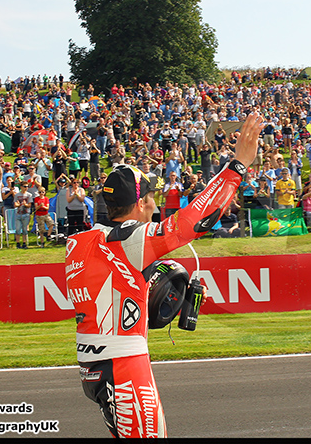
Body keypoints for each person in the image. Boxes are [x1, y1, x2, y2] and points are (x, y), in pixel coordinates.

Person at [66, 111, 263, 438]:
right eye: (152, 195)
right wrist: (238, 165)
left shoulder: (81, 242)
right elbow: (192, 223)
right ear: (140, 203)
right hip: (124, 367)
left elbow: (114, 290)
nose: (155, 203)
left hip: (96, 365)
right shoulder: (127, 240)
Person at [14, 182, 33, 248]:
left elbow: (29, 205)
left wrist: (25, 205)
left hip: (26, 214)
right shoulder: (17, 195)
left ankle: (24, 243)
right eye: (25, 186)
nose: (26, 188)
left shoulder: (29, 195)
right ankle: (18, 243)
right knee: (18, 229)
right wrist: (18, 205)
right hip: (18, 214)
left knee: (25, 229)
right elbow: (15, 204)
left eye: (27, 186)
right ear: (21, 187)